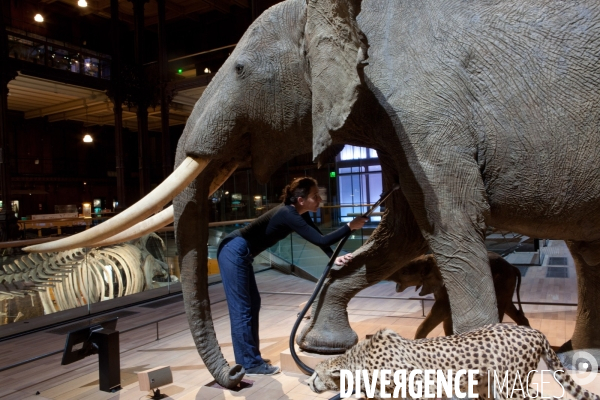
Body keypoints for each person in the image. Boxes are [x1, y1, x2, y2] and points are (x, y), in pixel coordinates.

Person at [217, 177, 368, 375]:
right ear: (300, 200)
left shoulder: (298, 212)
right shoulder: (288, 213)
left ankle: (251, 358)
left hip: (240, 252)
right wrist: (349, 226)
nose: (319, 200)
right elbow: (321, 238)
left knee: (252, 304)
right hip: (233, 249)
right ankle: (250, 363)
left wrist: (334, 256)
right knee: (242, 308)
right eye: (315, 196)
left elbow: (318, 239)